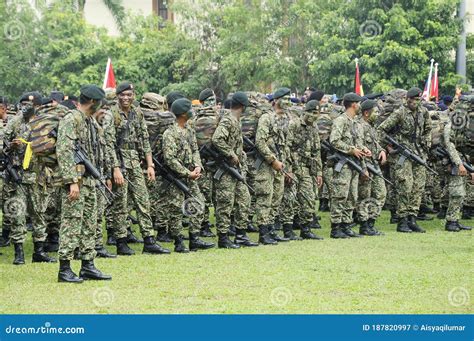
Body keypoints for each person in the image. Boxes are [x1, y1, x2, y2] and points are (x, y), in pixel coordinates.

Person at [105, 82, 169, 255]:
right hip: (119, 161)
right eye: (123, 95)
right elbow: (108, 144)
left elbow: (144, 139)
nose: (126, 98)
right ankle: (121, 241)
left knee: (143, 201)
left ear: (134, 95)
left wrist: (150, 165)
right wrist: (115, 168)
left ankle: (149, 240)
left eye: (129, 95)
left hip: (135, 161)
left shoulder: (137, 112)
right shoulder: (111, 115)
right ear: (117, 96)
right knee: (121, 204)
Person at [56, 85, 111, 282]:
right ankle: (65, 269)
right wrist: (72, 182)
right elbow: (64, 151)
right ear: (93, 102)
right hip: (76, 181)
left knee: (90, 223)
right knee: (72, 222)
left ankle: (88, 264)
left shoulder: (89, 121)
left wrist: (103, 176)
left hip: (89, 181)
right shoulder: (71, 119)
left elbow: (97, 150)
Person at [4, 92, 56, 264]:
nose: (24, 107)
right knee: (17, 212)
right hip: (18, 175)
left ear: (38, 107)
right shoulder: (15, 122)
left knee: (39, 213)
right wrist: (10, 146)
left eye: (29, 104)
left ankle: (39, 251)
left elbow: (54, 147)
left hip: (39, 175)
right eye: (23, 103)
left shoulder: (45, 123)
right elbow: (2, 140)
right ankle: (19, 252)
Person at [162, 98, 215, 252]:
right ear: (183, 114)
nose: (193, 111)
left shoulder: (189, 130)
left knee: (199, 204)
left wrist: (198, 166)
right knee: (176, 210)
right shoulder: (170, 133)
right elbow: (169, 159)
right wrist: (187, 173)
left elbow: (194, 150)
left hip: (191, 175)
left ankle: (194, 238)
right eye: (190, 109)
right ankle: (179, 242)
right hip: (176, 178)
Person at [377, 87, 432, 233]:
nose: (415, 102)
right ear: (407, 99)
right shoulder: (399, 112)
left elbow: (428, 130)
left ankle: (412, 218)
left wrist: (426, 145)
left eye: (418, 100)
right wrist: (389, 147)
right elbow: (381, 130)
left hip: (419, 154)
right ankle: (401, 220)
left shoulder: (423, 112)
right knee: (405, 186)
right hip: (402, 155)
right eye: (412, 99)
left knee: (418, 187)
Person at [211, 91, 258, 248]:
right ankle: (223, 238)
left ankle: (240, 234)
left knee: (244, 199)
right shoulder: (228, 120)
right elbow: (217, 138)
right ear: (242, 106)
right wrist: (230, 153)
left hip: (236, 169)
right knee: (225, 203)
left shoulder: (236, 121)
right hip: (226, 170)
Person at [254, 87, 294, 244]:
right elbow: (260, 141)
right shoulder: (266, 118)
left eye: (290, 99)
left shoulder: (287, 119)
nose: (288, 102)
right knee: (265, 198)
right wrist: (273, 160)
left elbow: (287, 145)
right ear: (276, 100)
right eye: (285, 98)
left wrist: (287, 167)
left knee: (277, 198)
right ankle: (263, 233)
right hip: (266, 165)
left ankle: (271, 229)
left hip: (281, 165)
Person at [329, 92, 370, 238]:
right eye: (358, 103)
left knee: (352, 196)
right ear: (353, 104)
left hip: (355, 165)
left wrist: (363, 150)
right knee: (340, 195)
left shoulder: (356, 124)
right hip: (343, 164)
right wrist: (351, 150)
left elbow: (358, 144)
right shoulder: (341, 121)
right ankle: (336, 227)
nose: (360, 106)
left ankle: (346, 225)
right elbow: (334, 141)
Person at [442, 95, 473, 231]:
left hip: (464, 161)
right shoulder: (452, 124)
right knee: (457, 192)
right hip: (454, 161)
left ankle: (456, 219)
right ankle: (451, 222)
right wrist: (459, 163)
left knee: (462, 192)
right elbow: (450, 145)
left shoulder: (465, 124)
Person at [357, 99, 386, 235]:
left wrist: (382, 150)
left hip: (374, 164)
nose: (378, 114)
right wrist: (364, 168)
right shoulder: (359, 127)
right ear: (366, 113)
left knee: (380, 193)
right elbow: (359, 147)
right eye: (376, 111)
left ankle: (371, 222)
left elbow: (375, 143)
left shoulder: (372, 126)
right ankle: (364, 225)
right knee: (365, 196)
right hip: (365, 165)